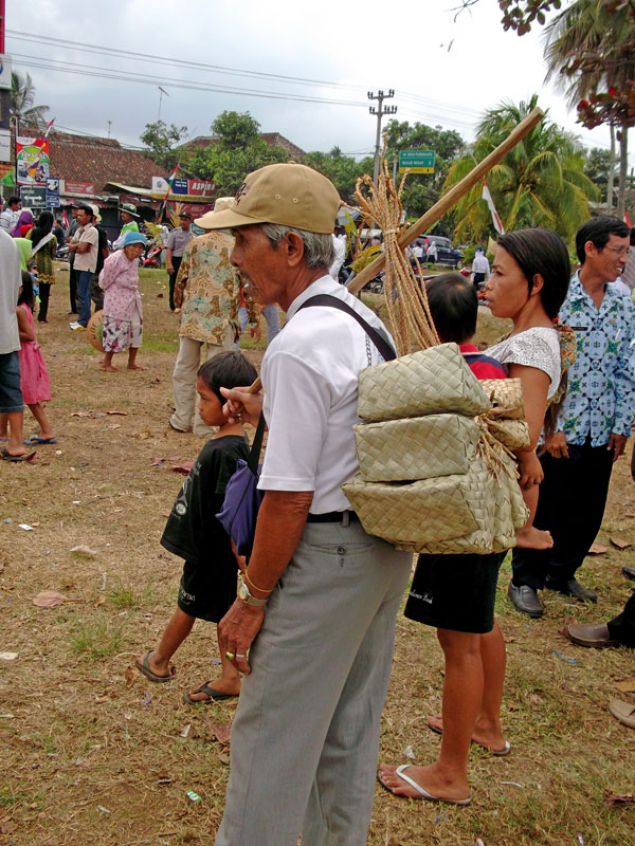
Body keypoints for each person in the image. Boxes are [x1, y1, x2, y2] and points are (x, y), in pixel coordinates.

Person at [204, 162, 411, 846]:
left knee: (273, 738)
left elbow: (288, 498)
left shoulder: (297, 343)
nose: (234, 258)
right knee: (346, 734)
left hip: (324, 559)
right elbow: (345, 423)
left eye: (244, 242)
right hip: (379, 551)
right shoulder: (356, 317)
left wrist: (254, 597)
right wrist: (268, 407)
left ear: (289, 248)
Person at [378, 273, 509, 806]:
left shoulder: (440, 377)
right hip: (488, 520)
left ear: (422, 322)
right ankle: (485, 723)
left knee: (458, 643)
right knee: (476, 626)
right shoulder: (492, 369)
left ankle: (451, 773)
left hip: (458, 524)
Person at [510, 217, 635, 617]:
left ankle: (562, 572)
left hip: (603, 428)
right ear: (591, 250)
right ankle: (525, 580)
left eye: (626, 251)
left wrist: (622, 424)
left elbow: (627, 365)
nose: (623, 258)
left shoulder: (622, 300)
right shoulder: (561, 298)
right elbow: (546, 366)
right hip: (562, 428)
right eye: (617, 250)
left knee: (588, 509)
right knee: (546, 503)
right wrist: (553, 428)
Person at [136, 351, 258, 702]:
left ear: (232, 404)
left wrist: (241, 558)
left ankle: (159, 660)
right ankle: (230, 675)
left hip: (210, 552)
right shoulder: (223, 442)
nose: (199, 405)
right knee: (222, 611)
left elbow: (234, 510)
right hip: (208, 548)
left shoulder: (231, 451)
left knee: (188, 605)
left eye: (205, 399)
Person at [486, 229, 571, 553]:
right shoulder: (523, 339)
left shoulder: (532, 347)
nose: (489, 284)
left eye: (499, 273)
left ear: (535, 285)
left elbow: (525, 432)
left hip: (487, 505)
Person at [169, 198, 256, 436]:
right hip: (221, 320)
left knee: (185, 368)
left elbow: (181, 279)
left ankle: (181, 418)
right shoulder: (239, 248)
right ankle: (205, 425)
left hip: (193, 317)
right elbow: (246, 287)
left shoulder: (195, 244)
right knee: (218, 374)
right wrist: (254, 318)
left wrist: (180, 305)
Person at [7, 272, 55, 444]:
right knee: (11, 393)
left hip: (25, 355)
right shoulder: (24, 306)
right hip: (25, 354)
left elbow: (29, 335)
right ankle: (3, 432)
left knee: (28, 396)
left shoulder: (20, 309)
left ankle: (47, 430)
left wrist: (8, 332)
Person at [0, 229, 33, 462]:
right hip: (5, 329)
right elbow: (18, 289)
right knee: (11, 387)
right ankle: (16, 443)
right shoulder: (8, 242)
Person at [97, 231, 147, 372]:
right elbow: (105, 280)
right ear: (127, 246)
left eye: (140, 248)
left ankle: (131, 362)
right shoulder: (115, 259)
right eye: (135, 246)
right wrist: (111, 292)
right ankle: (107, 362)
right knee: (115, 328)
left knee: (136, 327)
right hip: (116, 297)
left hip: (132, 297)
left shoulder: (135, 260)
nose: (137, 250)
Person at [68, 205, 99, 331]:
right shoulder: (79, 230)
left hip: (86, 266)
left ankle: (84, 320)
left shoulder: (92, 231)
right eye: (77, 215)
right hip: (78, 265)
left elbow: (83, 249)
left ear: (89, 216)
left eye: (81, 215)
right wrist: (76, 245)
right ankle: (83, 318)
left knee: (83, 292)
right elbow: (71, 241)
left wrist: (75, 246)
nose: (78, 217)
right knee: (80, 293)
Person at [27, 211, 57, 323]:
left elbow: (27, 245)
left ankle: (28, 313)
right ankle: (42, 317)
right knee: (45, 294)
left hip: (33, 265)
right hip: (46, 267)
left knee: (30, 291)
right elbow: (53, 254)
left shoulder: (32, 232)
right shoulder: (52, 238)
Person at [166, 210, 194, 311]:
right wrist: (169, 264)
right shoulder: (174, 233)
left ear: (190, 221)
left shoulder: (193, 236)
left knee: (186, 283)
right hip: (176, 260)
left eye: (185, 220)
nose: (183, 222)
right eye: (181, 219)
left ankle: (183, 304)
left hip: (187, 261)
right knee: (174, 284)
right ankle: (173, 305)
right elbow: (169, 249)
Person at [90, 205, 110, 313]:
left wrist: (106, 265)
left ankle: (102, 311)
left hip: (97, 266)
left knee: (96, 292)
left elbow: (105, 250)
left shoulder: (100, 231)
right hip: (88, 265)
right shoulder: (85, 230)